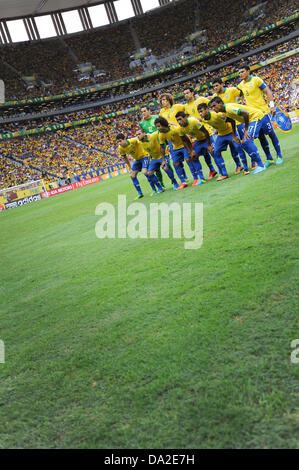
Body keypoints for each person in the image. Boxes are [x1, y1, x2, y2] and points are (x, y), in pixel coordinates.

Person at [237, 64, 283, 166]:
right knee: (261, 137)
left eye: (242, 71)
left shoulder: (256, 80)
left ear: (248, 71)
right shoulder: (240, 86)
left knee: (271, 134)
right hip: (253, 116)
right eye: (239, 73)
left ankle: (279, 155)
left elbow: (268, 91)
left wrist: (271, 105)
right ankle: (269, 158)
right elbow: (235, 96)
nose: (240, 74)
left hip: (263, 112)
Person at [209, 97, 266, 174]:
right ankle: (261, 163)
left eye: (214, 105)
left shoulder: (228, 108)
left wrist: (246, 130)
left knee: (248, 140)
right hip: (251, 119)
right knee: (244, 143)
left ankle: (261, 165)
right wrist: (234, 136)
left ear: (220, 104)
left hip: (255, 117)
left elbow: (246, 113)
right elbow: (233, 121)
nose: (213, 108)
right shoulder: (224, 112)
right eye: (211, 107)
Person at [212, 77, 256, 172]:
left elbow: (243, 93)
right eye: (213, 86)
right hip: (229, 124)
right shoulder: (215, 97)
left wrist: (245, 103)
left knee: (245, 142)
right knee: (234, 146)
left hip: (239, 121)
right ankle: (239, 165)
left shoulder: (231, 90)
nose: (215, 88)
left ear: (221, 84)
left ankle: (253, 160)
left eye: (216, 85)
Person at [183, 87, 217, 179]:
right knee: (203, 154)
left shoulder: (201, 100)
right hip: (197, 134)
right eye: (184, 94)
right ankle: (212, 170)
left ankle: (222, 171)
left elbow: (213, 104)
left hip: (207, 129)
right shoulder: (186, 107)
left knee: (213, 151)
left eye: (187, 93)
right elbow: (187, 118)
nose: (186, 95)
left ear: (192, 93)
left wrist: (205, 117)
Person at [197, 102, 235, 181]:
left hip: (230, 132)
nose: (200, 114)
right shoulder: (204, 119)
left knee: (238, 147)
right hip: (221, 135)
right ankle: (224, 174)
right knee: (216, 152)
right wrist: (217, 130)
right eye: (199, 112)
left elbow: (232, 120)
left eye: (201, 111)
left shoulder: (217, 115)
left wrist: (234, 135)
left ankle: (246, 167)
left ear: (207, 109)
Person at [139, 106, 174, 187]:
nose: (143, 113)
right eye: (142, 112)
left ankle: (173, 179)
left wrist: (167, 143)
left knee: (167, 164)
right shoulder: (141, 123)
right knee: (156, 168)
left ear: (149, 110)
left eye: (144, 111)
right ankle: (161, 183)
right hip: (152, 147)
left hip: (161, 143)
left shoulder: (156, 118)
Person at [154, 116, 192, 190]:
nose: (158, 128)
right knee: (175, 164)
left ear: (164, 124)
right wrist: (164, 160)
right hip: (175, 148)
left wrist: (190, 150)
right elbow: (161, 147)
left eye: (159, 126)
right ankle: (183, 182)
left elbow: (185, 139)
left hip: (184, 145)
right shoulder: (161, 134)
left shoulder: (175, 129)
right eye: (156, 127)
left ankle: (197, 178)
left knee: (188, 160)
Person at [175, 111, 211, 186]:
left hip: (208, 137)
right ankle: (201, 178)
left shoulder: (193, 121)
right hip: (198, 140)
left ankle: (221, 172)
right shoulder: (180, 129)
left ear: (185, 117)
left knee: (213, 152)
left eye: (180, 119)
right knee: (193, 157)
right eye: (177, 120)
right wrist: (191, 151)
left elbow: (206, 132)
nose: (179, 122)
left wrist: (209, 145)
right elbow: (185, 141)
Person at [116, 133, 152, 199]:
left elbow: (142, 140)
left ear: (124, 138)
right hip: (137, 160)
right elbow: (125, 157)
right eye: (118, 142)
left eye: (120, 141)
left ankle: (156, 188)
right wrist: (129, 167)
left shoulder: (133, 141)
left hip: (144, 156)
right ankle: (140, 193)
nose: (119, 143)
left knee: (145, 172)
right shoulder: (120, 148)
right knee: (132, 175)